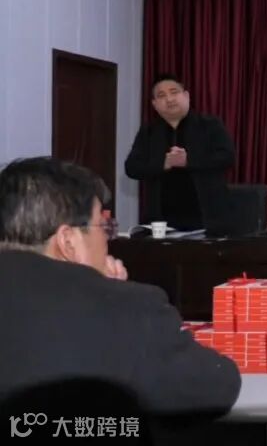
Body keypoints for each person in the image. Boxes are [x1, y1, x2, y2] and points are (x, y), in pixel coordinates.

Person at [0, 157, 241, 425]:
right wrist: (108, 292)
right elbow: (214, 388)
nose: (108, 239)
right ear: (68, 242)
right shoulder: (126, 307)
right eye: (103, 227)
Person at [124, 74, 236, 235]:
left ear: (186, 96)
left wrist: (189, 160)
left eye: (174, 92)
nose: (169, 99)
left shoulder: (209, 125)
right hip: (161, 224)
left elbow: (227, 157)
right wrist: (163, 164)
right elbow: (131, 168)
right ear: (155, 104)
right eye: (161, 95)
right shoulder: (148, 132)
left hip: (208, 220)